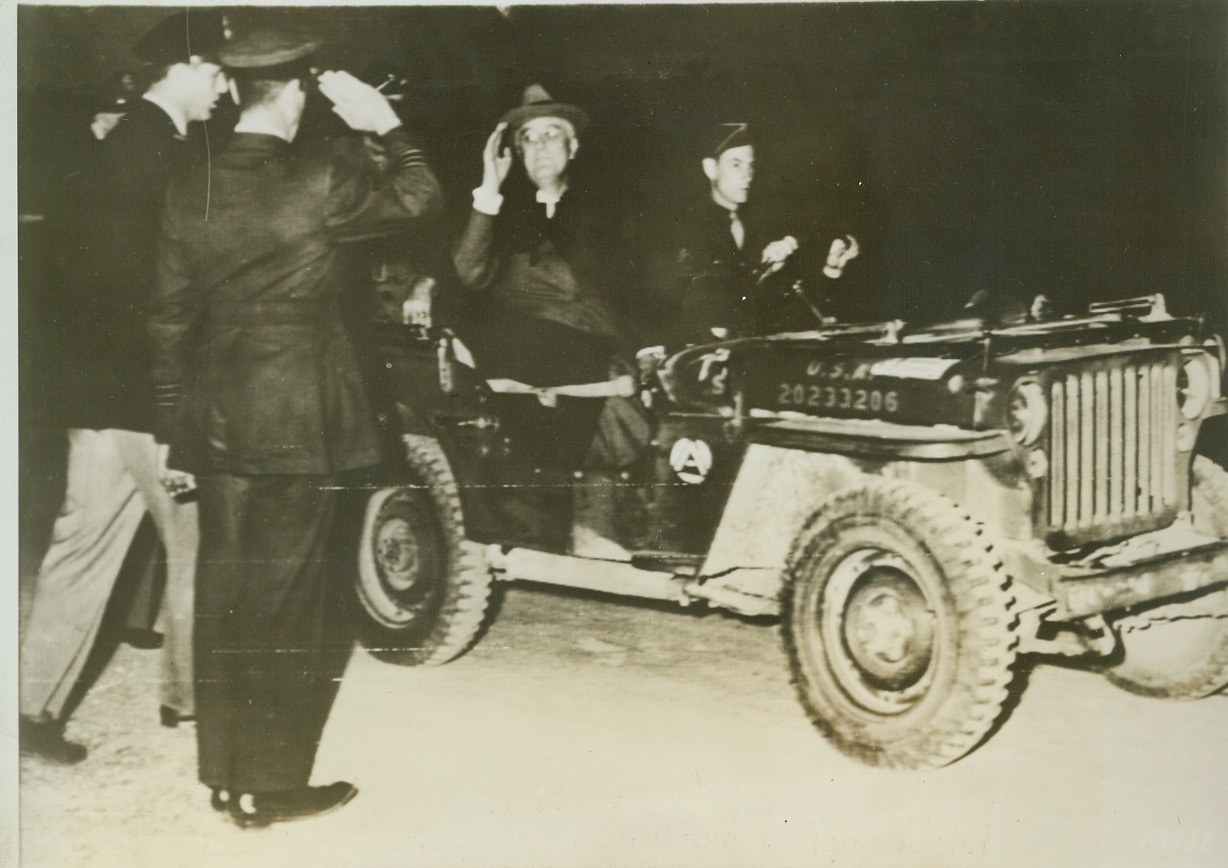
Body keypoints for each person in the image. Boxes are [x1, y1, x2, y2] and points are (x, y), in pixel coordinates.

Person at [148, 28, 442, 827]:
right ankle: (269, 785)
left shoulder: (191, 182)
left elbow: (168, 318)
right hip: (299, 420)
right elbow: (421, 197)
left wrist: (173, 429)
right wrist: (386, 123)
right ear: (295, 93)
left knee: (226, 593)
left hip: (215, 417)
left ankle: (223, 773)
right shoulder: (324, 175)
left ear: (242, 91)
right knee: (290, 605)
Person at [19, 9, 229, 765]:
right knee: (201, 548)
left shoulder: (109, 149)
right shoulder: (169, 158)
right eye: (217, 72)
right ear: (186, 71)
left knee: (79, 548)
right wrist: (178, 407)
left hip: (96, 396)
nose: (224, 88)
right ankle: (190, 699)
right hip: (152, 401)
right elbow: (168, 297)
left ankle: (30, 710)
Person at [452, 84, 633, 389]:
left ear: (572, 148)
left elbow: (640, 293)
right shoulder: (501, 217)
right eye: (529, 139)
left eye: (551, 134)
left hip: (599, 362)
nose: (539, 146)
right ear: (520, 155)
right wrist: (489, 188)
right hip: (521, 365)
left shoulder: (609, 212)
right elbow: (469, 274)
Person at [671, 122, 860, 345]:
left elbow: (792, 319)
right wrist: (761, 272)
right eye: (736, 164)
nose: (747, 175)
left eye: (751, 166)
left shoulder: (759, 226)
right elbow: (706, 319)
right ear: (710, 169)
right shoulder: (686, 229)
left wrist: (832, 270)